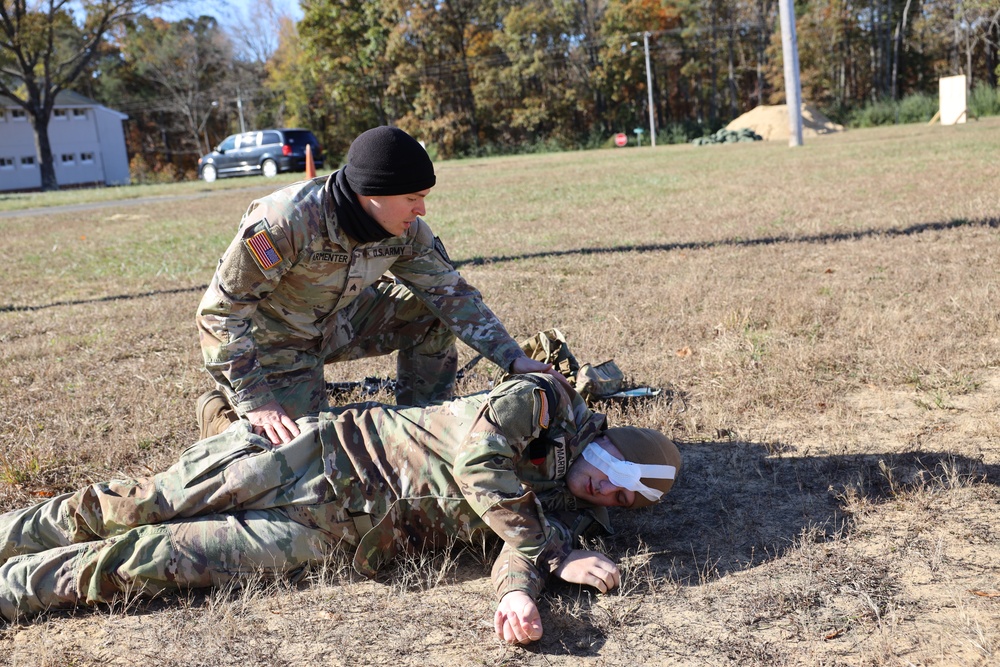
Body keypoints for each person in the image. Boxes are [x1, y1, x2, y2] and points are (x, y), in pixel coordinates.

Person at [0, 374, 681, 643]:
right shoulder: (542, 401)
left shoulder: (556, 508)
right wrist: (547, 544)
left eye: (624, 503)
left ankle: (11, 589)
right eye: (620, 481)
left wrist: (519, 595)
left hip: (326, 533)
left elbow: (516, 548)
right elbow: (481, 466)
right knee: (125, 507)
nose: (610, 497)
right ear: (613, 449)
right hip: (301, 455)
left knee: (149, 562)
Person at [196, 125, 562, 445]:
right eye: (412, 199)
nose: (421, 210)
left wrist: (512, 357)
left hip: (340, 321)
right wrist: (259, 403)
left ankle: (425, 430)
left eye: (423, 198)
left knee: (432, 314)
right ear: (373, 193)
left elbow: (450, 294)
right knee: (306, 449)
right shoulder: (285, 221)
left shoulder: (405, 230)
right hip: (278, 344)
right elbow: (220, 314)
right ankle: (220, 417)